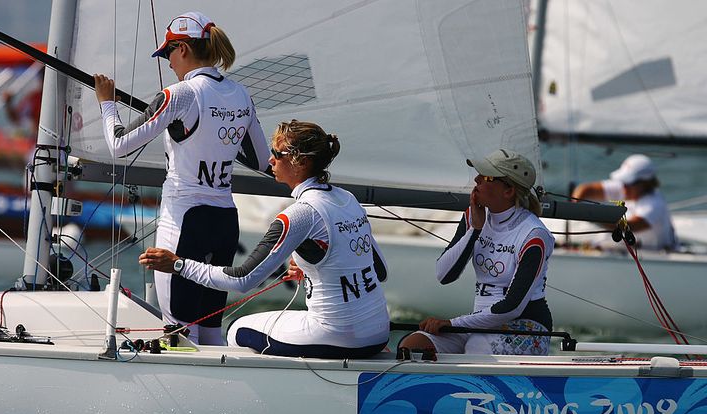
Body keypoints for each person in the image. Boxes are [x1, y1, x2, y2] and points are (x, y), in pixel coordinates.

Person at [139, 120, 391, 358]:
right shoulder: (348, 199)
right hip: (378, 332)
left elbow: (243, 280)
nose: (270, 159)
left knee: (237, 330)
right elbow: (380, 272)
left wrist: (177, 264)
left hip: (340, 336)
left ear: (300, 162)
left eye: (277, 154)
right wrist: (312, 267)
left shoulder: (300, 214)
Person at [94, 11, 270, 345]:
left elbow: (118, 144)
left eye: (169, 54)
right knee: (209, 330)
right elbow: (262, 161)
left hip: (185, 221)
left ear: (184, 49)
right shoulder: (240, 94)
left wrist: (107, 103)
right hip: (224, 223)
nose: (169, 63)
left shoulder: (180, 94)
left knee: (179, 333)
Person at [399, 149, 554, 356]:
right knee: (413, 345)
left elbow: (512, 307)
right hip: (480, 324)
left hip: (527, 326)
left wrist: (451, 323)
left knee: (478, 345)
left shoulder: (534, 236)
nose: (477, 179)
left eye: (486, 177)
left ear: (508, 191)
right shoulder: (474, 215)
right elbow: (444, 274)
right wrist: (475, 230)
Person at [572, 154, 677, 251]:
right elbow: (586, 190)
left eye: (628, 183)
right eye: (623, 182)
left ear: (644, 183)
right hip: (626, 249)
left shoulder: (654, 204)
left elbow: (628, 226)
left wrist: (589, 215)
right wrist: (574, 206)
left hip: (653, 255)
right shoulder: (627, 187)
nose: (623, 188)